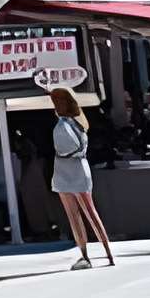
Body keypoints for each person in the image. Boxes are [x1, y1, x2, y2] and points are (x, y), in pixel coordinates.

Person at [48, 87, 115, 269]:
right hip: (69, 169)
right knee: (80, 214)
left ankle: (100, 254)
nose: (57, 105)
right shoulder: (72, 124)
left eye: (60, 101)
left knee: (84, 213)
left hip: (73, 169)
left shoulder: (68, 125)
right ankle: (92, 255)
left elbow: (68, 149)